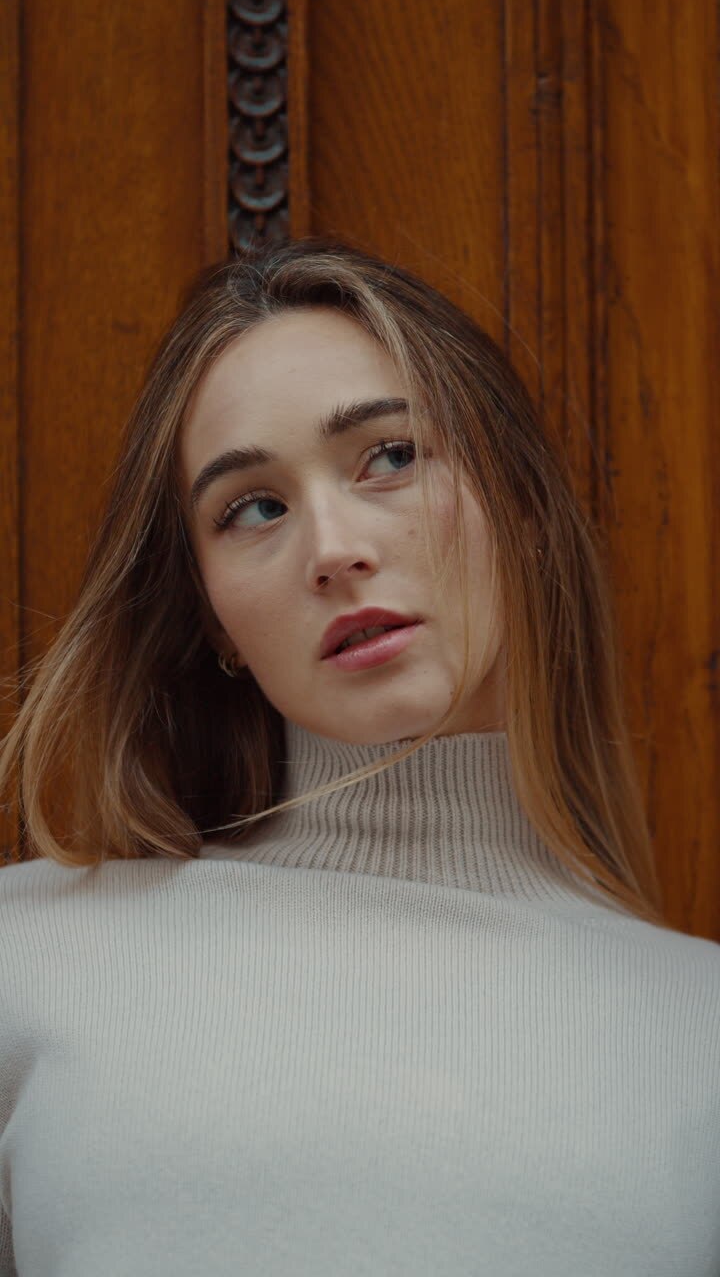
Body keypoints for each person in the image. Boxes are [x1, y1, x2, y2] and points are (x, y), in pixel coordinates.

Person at [0, 238, 717, 1275]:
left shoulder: (699, 1027)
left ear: (518, 498)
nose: (333, 546)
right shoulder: (26, 958)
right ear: (211, 622)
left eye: (390, 455)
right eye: (254, 507)